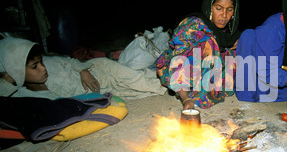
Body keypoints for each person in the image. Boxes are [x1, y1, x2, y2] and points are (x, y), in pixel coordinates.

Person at [156, 0, 241, 109]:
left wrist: (241, 41)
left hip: (206, 71)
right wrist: (185, 99)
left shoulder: (228, 32)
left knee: (241, 47)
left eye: (229, 10)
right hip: (181, 68)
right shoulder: (193, 26)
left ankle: (212, 86)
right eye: (219, 8)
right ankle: (197, 91)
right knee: (209, 42)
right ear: (209, 7)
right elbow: (178, 59)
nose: (224, 15)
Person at [0, 36, 167, 99]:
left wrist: (83, 71)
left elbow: (69, 61)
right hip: (101, 90)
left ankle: (175, 82)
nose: (43, 68)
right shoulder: (23, 94)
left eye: (41, 62)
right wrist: (9, 78)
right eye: (34, 66)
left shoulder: (50, 63)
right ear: (14, 71)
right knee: (137, 92)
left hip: (101, 70)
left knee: (140, 79)